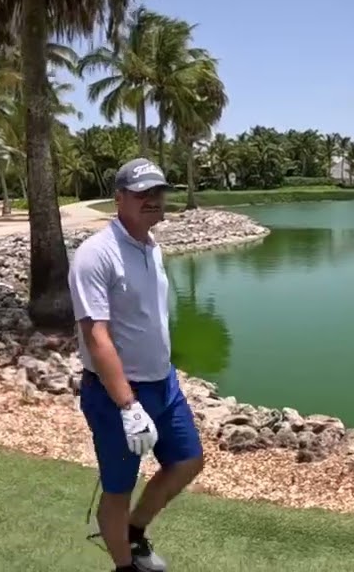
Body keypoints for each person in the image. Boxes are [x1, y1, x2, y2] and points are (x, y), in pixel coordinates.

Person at [70, 158, 205, 572]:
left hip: (163, 384)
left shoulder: (151, 246)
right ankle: (124, 567)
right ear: (119, 199)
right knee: (117, 488)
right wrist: (128, 408)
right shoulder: (96, 254)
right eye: (142, 193)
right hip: (118, 394)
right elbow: (97, 336)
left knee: (187, 462)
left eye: (158, 193)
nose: (153, 201)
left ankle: (133, 532)